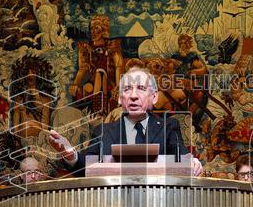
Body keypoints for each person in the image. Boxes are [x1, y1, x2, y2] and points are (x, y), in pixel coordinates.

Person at [48, 67, 204, 177]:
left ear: (154, 97)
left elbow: (181, 155)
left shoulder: (168, 128)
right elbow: (87, 167)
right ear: (120, 98)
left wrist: (191, 162)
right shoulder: (103, 132)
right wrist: (70, 154)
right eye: (127, 89)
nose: (133, 96)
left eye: (141, 88)